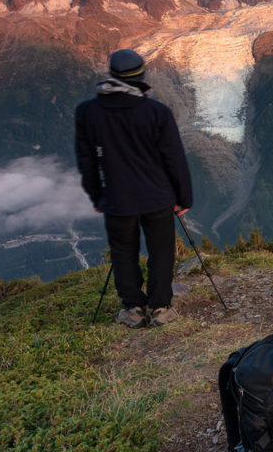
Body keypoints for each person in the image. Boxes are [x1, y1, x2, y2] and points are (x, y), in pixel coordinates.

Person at [75, 48, 193, 328]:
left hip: (117, 197)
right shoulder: (156, 112)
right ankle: (161, 308)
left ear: (112, 75)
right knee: (162, 251)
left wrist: (96, 195)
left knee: (123, 251)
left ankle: (132, 309)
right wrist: (183, 197)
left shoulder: (88, 112)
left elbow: (87, 160)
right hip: (158, 196)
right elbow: (174, 158)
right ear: (141, 75)